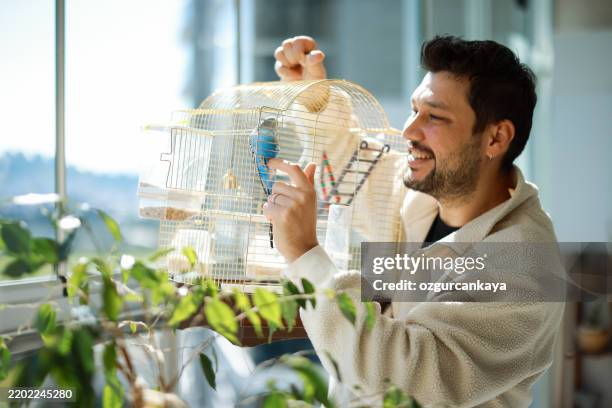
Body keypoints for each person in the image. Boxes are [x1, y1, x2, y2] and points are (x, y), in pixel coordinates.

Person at [263, 35, 564, 407]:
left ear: (496, 138)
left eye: (434, 116)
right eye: (413, 110)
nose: (409, 131)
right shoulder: (427, 197)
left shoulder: (524, 265)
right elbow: (351, 159)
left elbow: (403, 382)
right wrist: (314, 98)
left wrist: (305, 255)